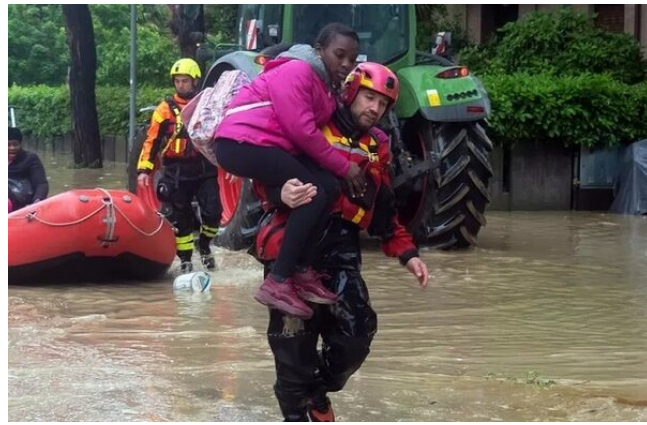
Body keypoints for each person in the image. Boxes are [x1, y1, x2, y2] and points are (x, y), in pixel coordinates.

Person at [254, 63, 429, 422]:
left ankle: (318, 391)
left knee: (357, 334)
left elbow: (384, 210)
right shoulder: (311, 126)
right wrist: (278, 191)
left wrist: (406, 253)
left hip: (340, 249)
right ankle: (296, 412)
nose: (374, 109)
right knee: (293, 351)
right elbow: (262, 173)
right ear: (350, 92)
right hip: (293, 245)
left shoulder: (378, 147)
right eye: (369, 98)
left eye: (382, 105)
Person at [214, 23, 366, 320]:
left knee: (328, 187)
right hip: (241, 143)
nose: (346, 64)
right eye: (340, 55)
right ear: (319, 51)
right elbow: (303, 131)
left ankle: (300, 269)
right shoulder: (296, 71)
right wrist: (345, 167)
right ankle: (278, 280)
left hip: (269, 145)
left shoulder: (325, 86)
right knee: (313, 191)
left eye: (352, 59)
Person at [137, 58, 221, 274]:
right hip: (176, 171)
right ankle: (185, 261)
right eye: (177, 81)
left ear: (195, 81)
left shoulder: (206, 104)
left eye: (185, 81)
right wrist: (144, 170)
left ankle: (204, 244)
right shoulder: (164, 110)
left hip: (204, 168)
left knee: (213, 212)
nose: (181, 85)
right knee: (181, 218)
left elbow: (220, 133)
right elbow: (151, 141)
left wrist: (232, 166)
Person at [8, 127, 48, 212]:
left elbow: (41, 183)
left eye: (15, 144)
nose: (12, 148)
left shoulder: (30, 159)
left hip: (23, 202)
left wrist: (38, 201)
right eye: (8, 145)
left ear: (20, 144)